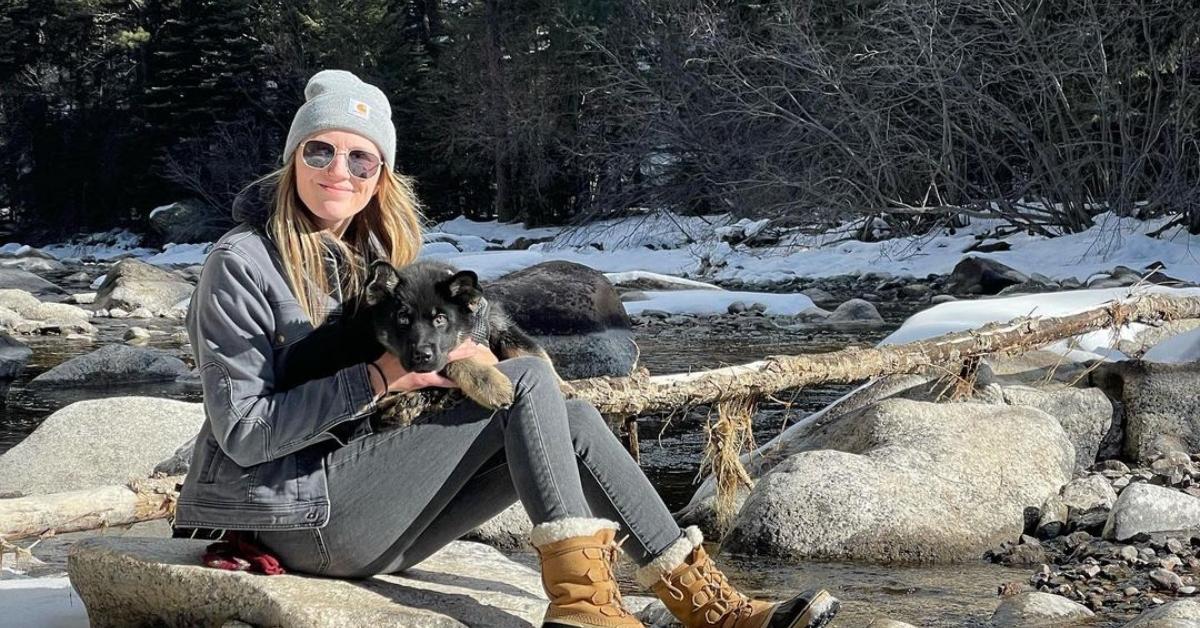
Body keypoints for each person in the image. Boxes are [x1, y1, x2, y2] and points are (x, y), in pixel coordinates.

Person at [175, 69, 839, 628]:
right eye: (319, 150)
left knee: (567, 413)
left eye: (361, 158)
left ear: (382, 175)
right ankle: (584, 606)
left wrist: (461, 363)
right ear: (293, 158)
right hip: (295, 517)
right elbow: (242, 434)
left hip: (371, 510)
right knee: (526, 383)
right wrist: (384, 379)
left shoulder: (371, 261)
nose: (338, 171)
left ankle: (707, 606)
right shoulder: (242, 263)